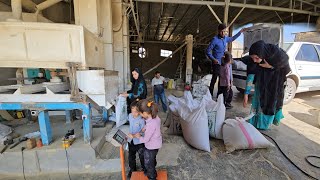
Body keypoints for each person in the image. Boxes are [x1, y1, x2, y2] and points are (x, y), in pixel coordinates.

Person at [243, 40, 291, 130]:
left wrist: (271, 66)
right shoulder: (254, 61)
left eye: (257, 58)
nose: (254, 60)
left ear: (262, 54)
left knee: (269, 103)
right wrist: (246, 93)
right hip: (260, 86)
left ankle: (264, 125)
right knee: (258, 102)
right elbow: (251, 76)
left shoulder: (276, 55)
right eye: (253, 57)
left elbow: (285, 64)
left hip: (274, 85)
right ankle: (255, 123)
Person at [206, 23, 248, 96]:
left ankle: (219, 95)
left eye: (225, 31)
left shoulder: (225, 38)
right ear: (218, 31)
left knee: (222, 79)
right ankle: (210, 95)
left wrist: (240, 32)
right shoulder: (214, 40)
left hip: (223, 62)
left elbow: (232, 39)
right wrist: (213, 59)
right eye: (222, 31)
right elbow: (207, 51)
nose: (223, 33)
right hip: (216, 63)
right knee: (214, 78)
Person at [129, 100, 162, 180]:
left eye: (140, 113)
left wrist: (137, 137)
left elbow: (146, 139)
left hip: (151, 146)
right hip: (156, 144)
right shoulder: (155, 117)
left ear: (145, 113)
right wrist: (144, 128)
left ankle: (152, 177)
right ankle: (153, 172)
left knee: (148, 163)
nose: (140, 115)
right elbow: (149, 124)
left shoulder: (151, 124)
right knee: (152, 160)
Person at [127, 100, 146, 178]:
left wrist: (134, 136)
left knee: (142, 156)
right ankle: (132, 170)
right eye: (132, 110)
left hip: (139, 142)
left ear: (139, 111)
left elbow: (144, 132)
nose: (134, 113)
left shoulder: (142, 120)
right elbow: (130, 125)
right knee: (131, 156)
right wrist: (130, 135)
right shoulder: (130, 116)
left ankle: (144, 169)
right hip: (131, 141)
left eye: (136, 111)